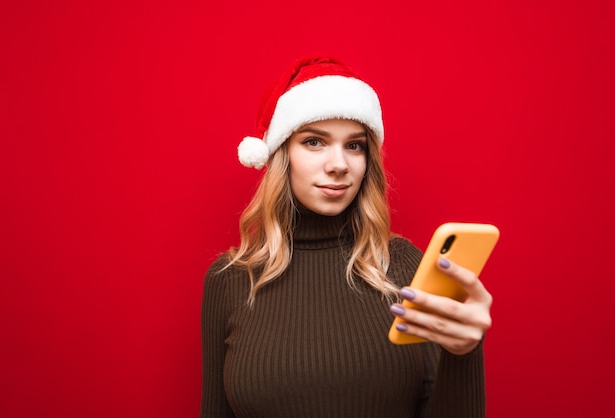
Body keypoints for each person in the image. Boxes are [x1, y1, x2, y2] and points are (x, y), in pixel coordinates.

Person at [200, 55, 492, 417]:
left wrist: (464, 354)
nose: (339, 165)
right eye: (314, 142)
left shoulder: (403, 267)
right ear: (280, 154)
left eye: (355, 145)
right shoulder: (229, 279)